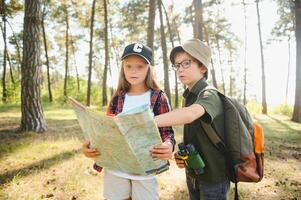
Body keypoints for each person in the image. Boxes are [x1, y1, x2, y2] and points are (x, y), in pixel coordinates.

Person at [82, 43, 176, 200]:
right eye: (129, 66)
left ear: (149, 69)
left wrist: (169, 145)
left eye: (140, 66)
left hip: (145, 167)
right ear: (123, 68)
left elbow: (167, 133)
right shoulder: (118, 98)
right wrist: (90, 146)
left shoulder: (158, 97)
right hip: (116, 167)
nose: (133, 71)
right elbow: (107, 132)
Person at [154, 38, 230, 200]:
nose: (180, 69)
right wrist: (183, 157)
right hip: (194, 173)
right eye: (177, 65)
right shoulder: (189, 96)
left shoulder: (209, 94)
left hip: (214, 178)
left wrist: (148, 121)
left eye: (186, 63)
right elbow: (196, 133)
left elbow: (190, 114)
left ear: (202, 66)